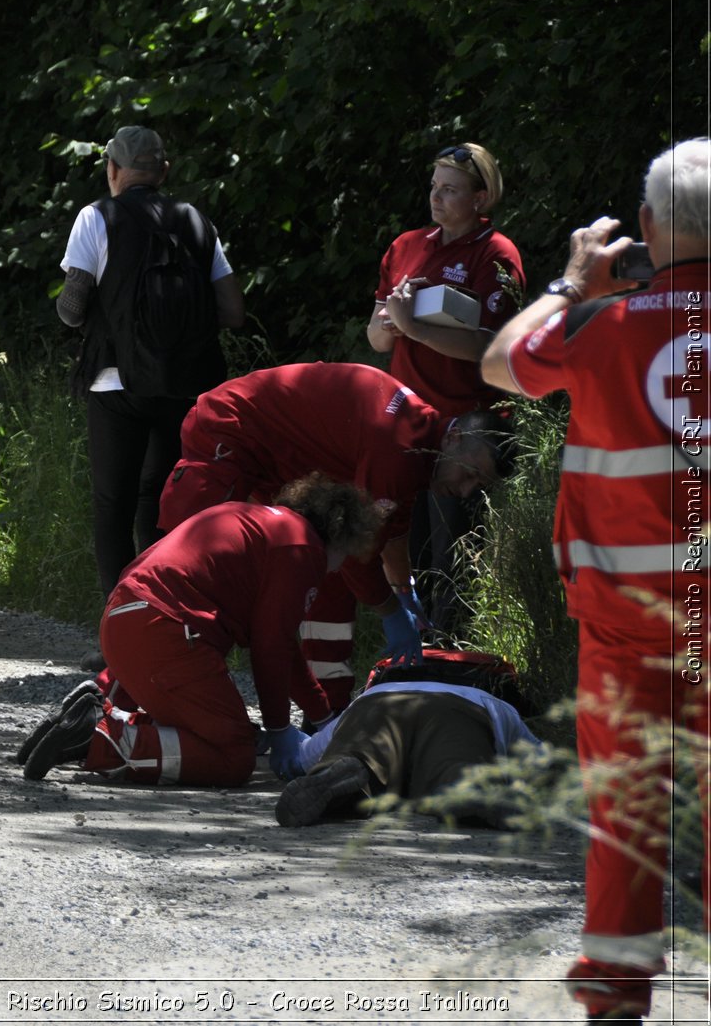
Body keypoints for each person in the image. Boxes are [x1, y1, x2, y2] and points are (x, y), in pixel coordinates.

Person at [480, 137, 711, 1024]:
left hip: (624, 628)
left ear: (648, 227)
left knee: (627, 818)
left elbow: (499, 363)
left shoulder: (596, 329)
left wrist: (575, 282)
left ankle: (616, 998)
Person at [156, 360, 516, 709]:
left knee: (323, 560)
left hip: (281, 458)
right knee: (198, 569)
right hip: (232, 426)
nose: (467, 491)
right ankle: (156, 682)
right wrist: (391, 611)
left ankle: (326, 709)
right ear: (454, 437)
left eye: (478, 484)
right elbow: (360, 555)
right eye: (470, 473)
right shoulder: (400, 450)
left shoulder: (423, 446)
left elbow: (389, 534)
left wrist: (403, 589)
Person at [19, 475, 383, 785]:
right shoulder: (302, 547)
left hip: (124, 618)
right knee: (235, 754)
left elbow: (283, 647)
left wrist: (323, 718)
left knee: (211, 724)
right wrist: (279, 729)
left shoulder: (255, 518)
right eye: (345, 556)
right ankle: (97, 739)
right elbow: (270, 648)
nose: (337, 569)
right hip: (164, 631)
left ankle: (94, 704)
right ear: (338, 535)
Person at [56, 126, 245, 613]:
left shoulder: (97, 216)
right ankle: (168, 614)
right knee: (162, 503)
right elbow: (232, 311)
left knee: (112, 502)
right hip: (186, 386)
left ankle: (118, 624)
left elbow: (72, 308)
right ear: (164, 171)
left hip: (116, 382)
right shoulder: (196, 221)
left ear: (113, 170)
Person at [366, 143, 525, 635]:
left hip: (463, 428)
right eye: (434, 187)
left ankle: (455, 651)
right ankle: (412, 643)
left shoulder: (496, 253)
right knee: (404, 540)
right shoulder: (407, 245)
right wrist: (392, 323)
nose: (436, 197)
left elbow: (489, 346)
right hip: (405, 422)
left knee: (454, 549)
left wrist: (415, 328)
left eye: (450, 190)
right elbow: (374, 337)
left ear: (481, 199)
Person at [274, 660, 539, 828]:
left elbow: (305, 757)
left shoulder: (371, 693)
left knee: (356, 756)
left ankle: (349, 773)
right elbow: (539, 761)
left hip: (378, 705)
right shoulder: (492, 701)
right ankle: (468, 786)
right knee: (456, 763)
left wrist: (283, 741)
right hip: (460, 711)